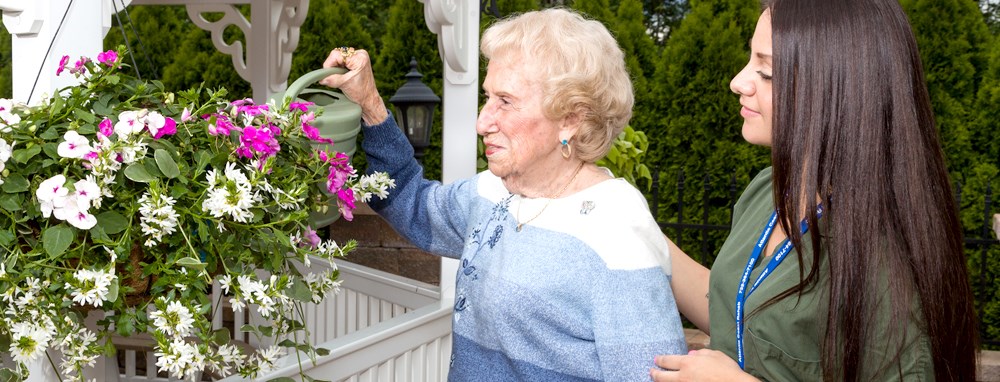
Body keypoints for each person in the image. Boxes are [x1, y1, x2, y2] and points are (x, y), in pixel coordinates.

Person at [320, 8, 688, 381]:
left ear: (571, 119)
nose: (483, 121)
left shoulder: (616, 232)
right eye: (487, 97)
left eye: (506, 101)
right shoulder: (494, 191)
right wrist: (369, 102)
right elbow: (409, 201)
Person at [650, 0, 980, 380]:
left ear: (836, 87)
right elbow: (742, 310)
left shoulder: (887, 261)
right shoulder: (768, 190)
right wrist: (633, 227)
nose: (738, 81)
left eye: (766, 70)